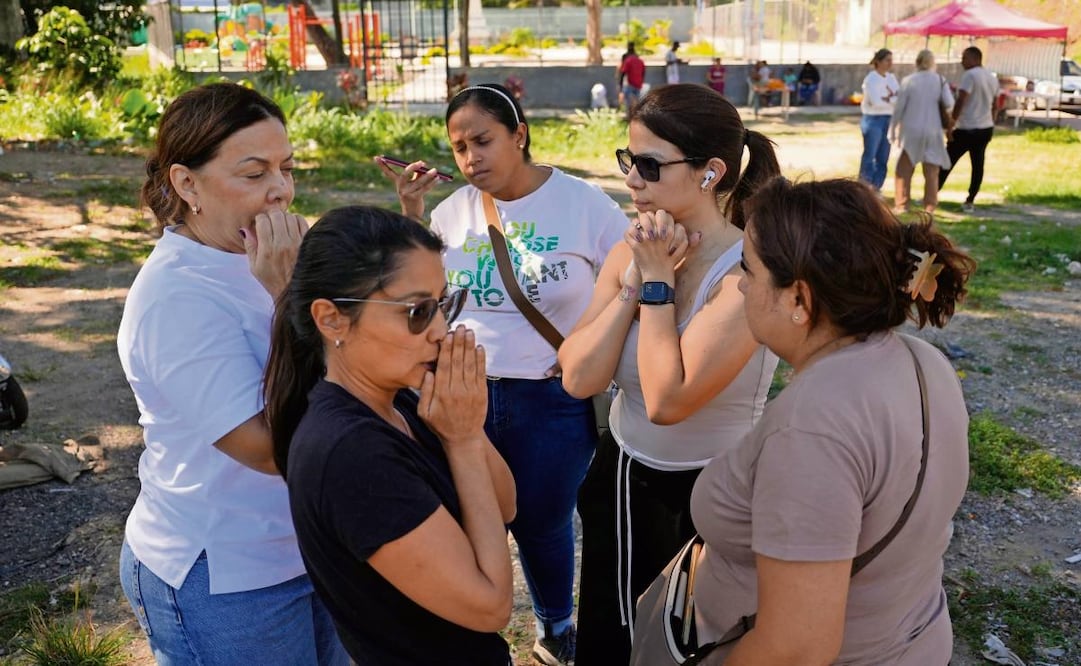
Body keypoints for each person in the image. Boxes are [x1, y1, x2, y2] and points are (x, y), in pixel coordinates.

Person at [376, 83, 628, 666]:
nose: (470, 159)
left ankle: (556, 626)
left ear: (519, 134)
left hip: (552, 397)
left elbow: (628, 281)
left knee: (542, 523)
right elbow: (417, 288)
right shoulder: (450, 210)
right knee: (463, 519)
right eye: (459, 147)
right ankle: (471, 633)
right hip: (460, 391)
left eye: (483, 141)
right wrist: (410, 214)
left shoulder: (584, 205)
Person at [682, 177, 975, 665]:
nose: (739, 284)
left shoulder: (813, 428)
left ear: (798, 300)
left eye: (748, 271)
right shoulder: (923, 361)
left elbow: (795, 648)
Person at [116, 83, 348, 665]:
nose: (281, 190)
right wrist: (292, 299)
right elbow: (269, 449)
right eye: (253, 173)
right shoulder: (176, 298)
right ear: (186, 183)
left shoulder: (265, 257)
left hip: (311, 544)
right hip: (225, 572)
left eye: (287, 168)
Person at [558, 83, 782, 665]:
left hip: (705, 494)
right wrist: (635, 282)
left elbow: (669, 400)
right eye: (628, 160)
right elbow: (578, 378)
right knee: (612, 632)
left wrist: (656, 286)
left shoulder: (747, 274)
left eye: (650, 165)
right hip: (622, 475)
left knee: (686, 644)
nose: (632, 180)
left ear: (710, 173)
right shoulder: (630, 252)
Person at [264, 206, 517, 665]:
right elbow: (491, 606)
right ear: (332, 319)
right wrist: (459, 442)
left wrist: (469, 428)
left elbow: (504, 506)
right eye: (417, 311)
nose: (441, 331)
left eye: (444, 304)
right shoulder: (351, 455)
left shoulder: (400, 397)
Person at [890, 49, 954, 214]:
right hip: (933, 129)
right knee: (932, 171)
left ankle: (902, 204)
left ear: (917, 62)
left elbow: (899, 108)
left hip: (911, 130)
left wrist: (892, 128)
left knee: (904, 169)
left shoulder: (909, 81)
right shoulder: (940, 80)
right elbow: (949, 103)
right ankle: (930, 206)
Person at [938, 46, 999, 213]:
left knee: (946, 160)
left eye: (965, 58)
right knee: (978, 164)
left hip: (967, 127)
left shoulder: (970, 75)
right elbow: (996, 103)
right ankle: (970, 199)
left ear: (974, 58)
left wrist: (952, 122)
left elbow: (961, 100)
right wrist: (992, 121)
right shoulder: (991, 77)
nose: (962, 61)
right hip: (985, 128)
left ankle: (932, 192)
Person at [859, 48, 899, 194]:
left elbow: (899, 97)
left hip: (888, 118)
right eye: (887, 60)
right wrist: (890, 99)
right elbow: (875, 101)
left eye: (891, 60)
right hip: (873, 119)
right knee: (870, 154)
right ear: (878, 61)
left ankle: (876, 187)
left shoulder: (891, 78)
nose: (890, 63)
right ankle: (864, 187)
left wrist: (889, 99)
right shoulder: (871, 79)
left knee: (883, 155)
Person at [618, 42, 647, 121]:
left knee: (628, 101)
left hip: (630, 83)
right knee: (637, 101)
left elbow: (623, 73)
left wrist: (620, 87)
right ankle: (637, 116)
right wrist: (641, 81)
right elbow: (643, 72)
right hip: (638, 83)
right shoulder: (639, 60)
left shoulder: (628, 59)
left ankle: (629, 116)